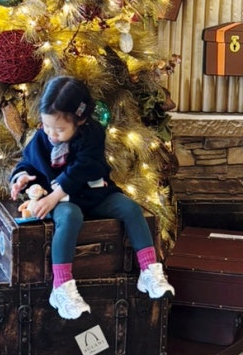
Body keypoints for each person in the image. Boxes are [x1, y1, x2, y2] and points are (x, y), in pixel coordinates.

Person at [9, 75, 174, 319]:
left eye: (60, 129)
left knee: (130, 208)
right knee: (70, 216)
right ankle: (61, 286)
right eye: (46, 126)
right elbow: (27, 162)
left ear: (80, 120)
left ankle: (149, 270)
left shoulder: (92, 133)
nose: (52, 134)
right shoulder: (43, 137)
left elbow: (85, 166)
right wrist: (22, 177)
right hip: (63, 202)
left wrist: (55, 194)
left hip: (93, 193)